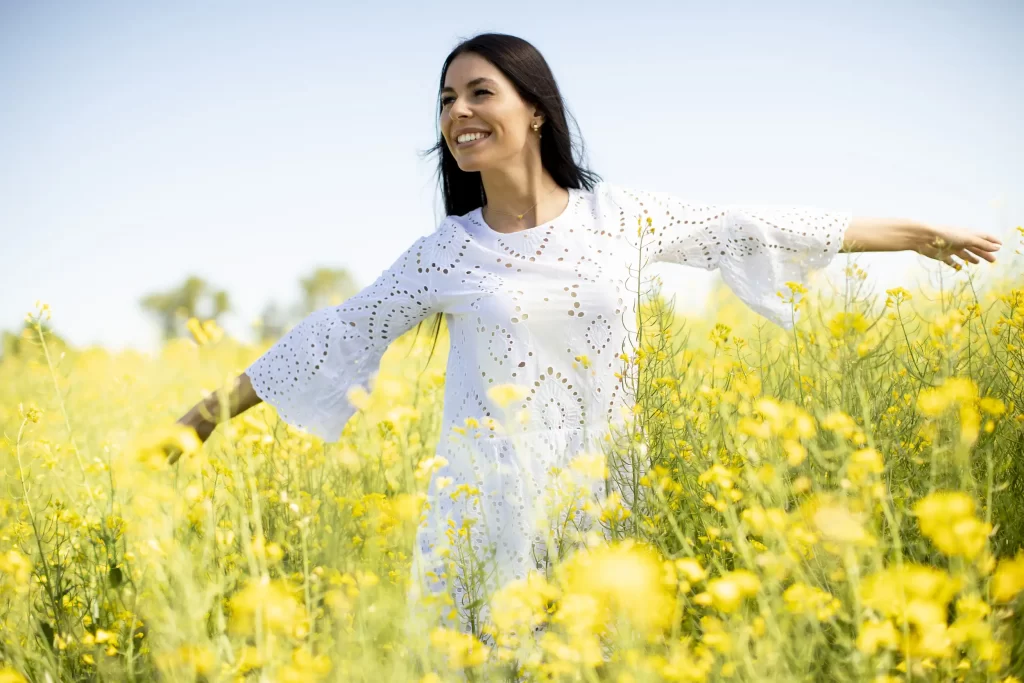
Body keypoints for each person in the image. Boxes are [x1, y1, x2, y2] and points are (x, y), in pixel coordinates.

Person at [167, 33, 1002, 650]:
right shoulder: (447, 251)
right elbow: (335, 334)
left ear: (534, 109)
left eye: (479, 92)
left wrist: (916, 231)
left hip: (602, 496)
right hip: (482, 516)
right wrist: (203, 417)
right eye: (447, 100)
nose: (458, 112)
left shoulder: (622, 217)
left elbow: (755, 224)